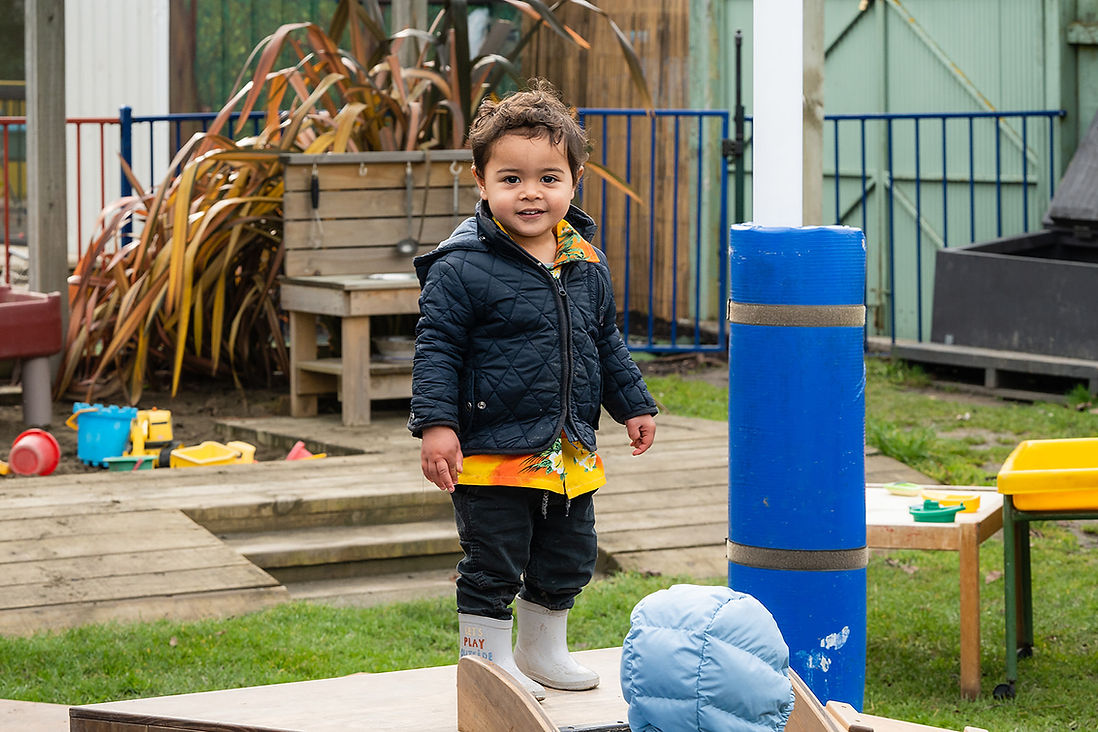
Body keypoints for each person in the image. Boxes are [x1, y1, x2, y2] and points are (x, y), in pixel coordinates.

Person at [408, 78, 658, 701]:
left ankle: (541, 651)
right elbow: (436, 349)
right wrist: (437, 425)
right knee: (495, 559)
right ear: (481, 181)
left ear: (574, 181)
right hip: (493, 449)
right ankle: (486, 666)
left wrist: (633, 404)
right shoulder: (460, 265)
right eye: (511, 178)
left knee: (570, 555)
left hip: (568, 450)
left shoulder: (585, 261)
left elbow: (605, 341)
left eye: (549, 178)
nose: (531, 193)